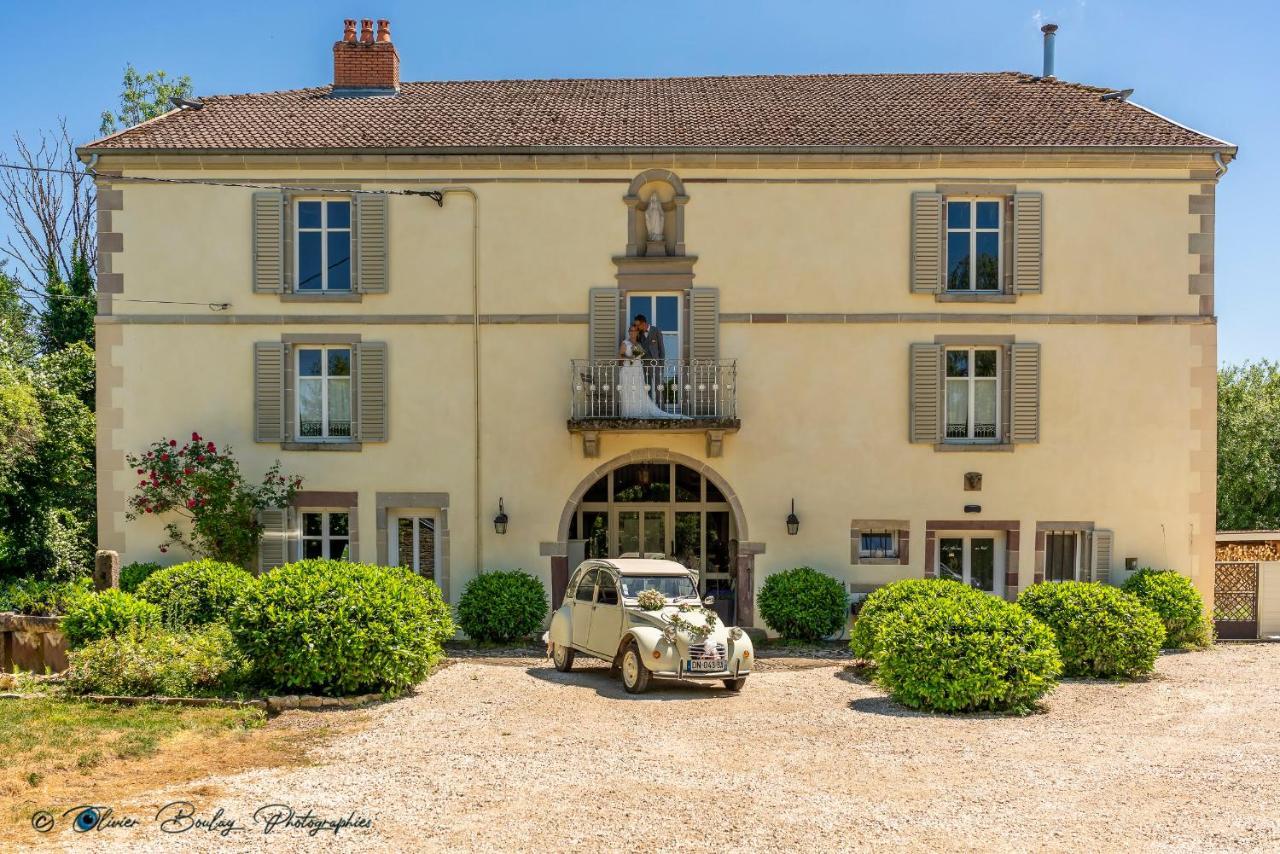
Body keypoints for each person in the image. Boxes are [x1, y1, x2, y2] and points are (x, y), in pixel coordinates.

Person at [618, 324, 682, 419]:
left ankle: (639, 412)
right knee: (628, 392)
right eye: (630, 331)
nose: (632, 332)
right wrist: (629, 357)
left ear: (637, 332)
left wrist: (635, 356)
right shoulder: (625, 343)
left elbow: (638, 358)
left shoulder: (639, 344)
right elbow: (620, 357)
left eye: (634, 331)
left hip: (638, 371)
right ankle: (630, 414)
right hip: (628, 371)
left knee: (639, 393)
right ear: (629, 332)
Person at [633, 313, 667, 408]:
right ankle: (650, 409)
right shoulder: (639, 334)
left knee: (658, 388)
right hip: (643, 365)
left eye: (637, 325)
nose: (637, 327)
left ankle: (662, 410)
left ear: (643, 323)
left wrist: (661, 365)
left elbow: (662, 350)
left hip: (655, 364)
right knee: (647, 388)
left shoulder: (656, 330)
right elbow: (637, 351)